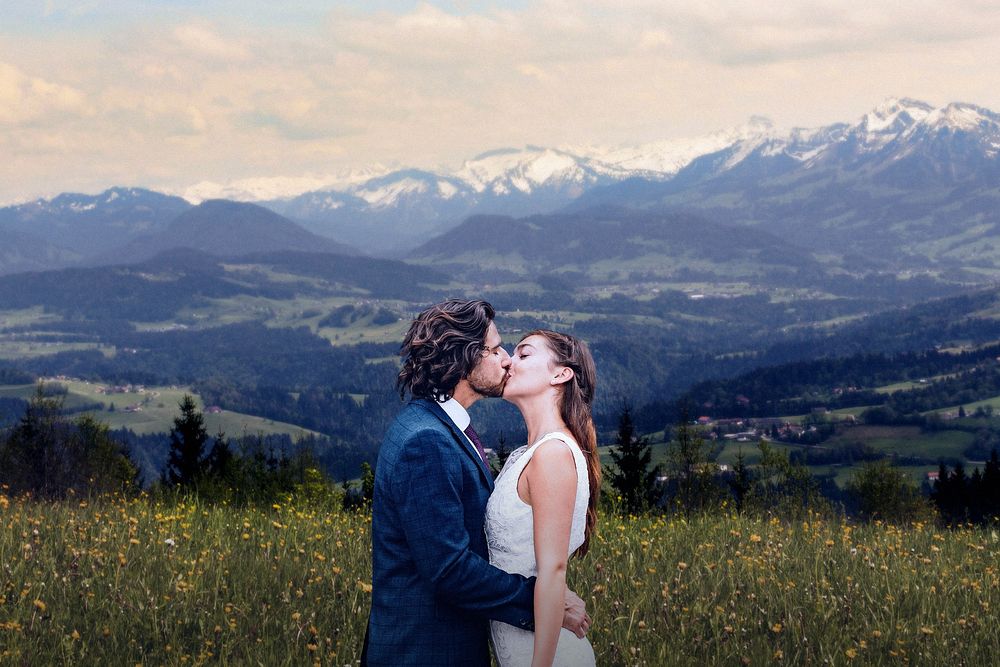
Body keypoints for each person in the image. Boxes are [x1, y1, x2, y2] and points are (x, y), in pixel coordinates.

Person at [363, 300, 590, 666]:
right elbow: (449, 569)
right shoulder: (426, 441)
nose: (505, 359)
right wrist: (541, 601)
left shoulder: (442, 427)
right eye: (495, 348)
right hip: (426, 652)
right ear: (465, 358)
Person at [486, 330, 600, 666]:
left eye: (524, 355)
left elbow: (553, 572)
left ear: (560, 374)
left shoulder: (553, 454)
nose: (508, 360)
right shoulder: (528, 453)